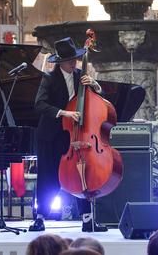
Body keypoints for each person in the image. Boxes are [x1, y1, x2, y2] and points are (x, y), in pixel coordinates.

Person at [29, 37, 105, 233]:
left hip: (75, 134)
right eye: (70, 60)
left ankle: (87, 219)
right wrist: (64, 112)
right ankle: (40, 218)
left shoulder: (82, 76)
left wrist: (95, 85)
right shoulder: (49, 78)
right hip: (51, 135)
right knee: (48, 176)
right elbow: (39, 105)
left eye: (75, 59)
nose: (74, 63)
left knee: (82, 174)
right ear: (60, 62)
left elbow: (98, 100)